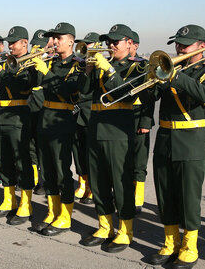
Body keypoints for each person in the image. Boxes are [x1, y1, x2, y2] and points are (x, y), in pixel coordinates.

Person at [144, 25, 205, 269]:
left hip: (191, 139)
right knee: (165, 193)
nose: (179, 48)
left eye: (184, 44)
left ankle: (190, 246)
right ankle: (171, 242)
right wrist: (152, 79)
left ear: (201, 46)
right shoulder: (171, 68)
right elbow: (153, 96)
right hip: (165, 137)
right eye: (177, 44)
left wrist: (175, 76)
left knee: (188, 196)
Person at [79, 24, 153, 253]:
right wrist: (89, 72)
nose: (111, 46)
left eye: (116, 42)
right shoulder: (102, 65)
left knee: (121, 183)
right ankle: (105, 226)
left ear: (130, 43)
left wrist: (109, 71)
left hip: (118, 131)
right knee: (98, 180)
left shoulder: (138, 67)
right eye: (109, 42)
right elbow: (83, 92)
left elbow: (125, 92)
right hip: (96, 128)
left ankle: (125, 231)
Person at [34, 22, 85, 236]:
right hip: (45, 118)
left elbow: (69, 91)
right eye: (52, 38)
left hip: (62, 120)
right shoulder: (51, 61)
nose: (54, 42)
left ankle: (65, 216)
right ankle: (52, 211)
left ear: (71, 40)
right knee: (48, 171)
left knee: (62, 170)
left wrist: (46, 72)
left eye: (58, 38)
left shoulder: (79, 64)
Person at [0, 26, 36, 225]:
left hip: (19, 114)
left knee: (22, 160)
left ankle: (26, 204)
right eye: (9, 42)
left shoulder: (31, 63)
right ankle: (8, 199)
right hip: (2, 114)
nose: (10, 45)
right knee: (3, 158)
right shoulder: (6, 62)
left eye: (14, 42)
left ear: (24, 43)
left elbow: (23, 87)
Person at [72, 32, 101, 205]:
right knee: (78, 151)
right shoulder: (79, 64)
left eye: (89, 44)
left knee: (93, 153)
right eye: (85, 44)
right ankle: (83, 183)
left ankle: (94, 187)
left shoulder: (103, 65)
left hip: (92, 113)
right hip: (78, 113)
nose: (86, 47)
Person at [127, 30, 153, 214]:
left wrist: (145, 122)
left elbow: (149, 98)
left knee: (139, 161)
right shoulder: (117, 65)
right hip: (121, 116)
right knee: (123, 160)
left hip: (138, 115)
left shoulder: (143, 66)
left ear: (135, 46)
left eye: (131, 44)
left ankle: (138, 198)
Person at [28, 29, 49, 196]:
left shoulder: (51, 62)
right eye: (35, 45)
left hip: (43, 108)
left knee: (43, 148)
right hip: (29, 107)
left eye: (41, 46)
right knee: (31, 146)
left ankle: (45, 180)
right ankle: (32, 179)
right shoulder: (29, 61)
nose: (37, 48)